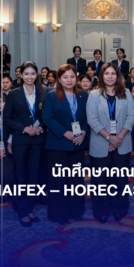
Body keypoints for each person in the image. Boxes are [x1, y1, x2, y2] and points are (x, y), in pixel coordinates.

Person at [87, 63, 134, 223]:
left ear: (118, 76)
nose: (110, 76)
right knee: (100, 181)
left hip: (122, 142)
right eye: (106, 73)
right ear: (101, 76)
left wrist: (118, 137)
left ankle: (119, 208)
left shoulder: (126, 93)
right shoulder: (94, 95)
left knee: (120, 179)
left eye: (113, 73)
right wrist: (110, 137)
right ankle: (101, 210)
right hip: (100, 143)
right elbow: (92, 119)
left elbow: (130, 117)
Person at [43, 64, 90, 225]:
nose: (69, 80)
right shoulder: (51, 96)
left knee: (76, 180)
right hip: (58, 144)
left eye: (72, 76)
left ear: (76, 78)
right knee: (59, 181)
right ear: (59, 79)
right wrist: (65, 133)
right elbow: (47, 118)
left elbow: (88, 117)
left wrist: (83, 132)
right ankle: (60, 214)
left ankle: (76, 211)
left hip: (78, 144)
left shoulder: (84, 95)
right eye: (65, 77)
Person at [3, 61, 46, 227]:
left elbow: (46, 116)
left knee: (33, 176)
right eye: (26, 74)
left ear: (37, 75)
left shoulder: (43, 93)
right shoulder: (14, 94)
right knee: (20, 176)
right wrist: (24, 128)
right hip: (20, 140)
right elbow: (7, 119)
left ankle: (30, 207)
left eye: (32, 74)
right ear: (20, 75)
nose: (29, 77)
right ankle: (22, 210)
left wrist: (40, 127)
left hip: (37, 140)